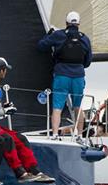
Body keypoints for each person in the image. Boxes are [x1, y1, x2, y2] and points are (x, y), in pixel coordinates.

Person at [0, 58, 54, 183]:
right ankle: (19, 172)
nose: (5, 72)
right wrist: (3, 111)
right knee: (7, 138)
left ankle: (34, 170)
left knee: (20, 138)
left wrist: (5, 107)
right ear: (2, 71)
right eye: (5, 70)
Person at [37, 11, 93, 139]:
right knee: (78, 106)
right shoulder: (85, 39)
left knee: (57, 106)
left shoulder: (58, 35)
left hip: (62, 75)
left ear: (66, 23)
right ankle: (80, 135)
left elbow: (41, 46)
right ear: (78, 23)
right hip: (78, 76)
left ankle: (55, 134)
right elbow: (88, 61)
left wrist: (48, 35)